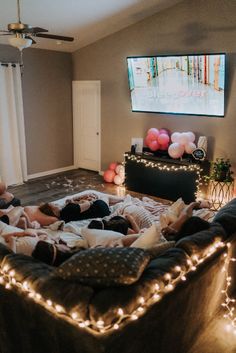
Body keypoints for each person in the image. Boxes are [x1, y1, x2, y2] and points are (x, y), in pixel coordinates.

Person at [32, 200, 211, 266]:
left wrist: (196, 203)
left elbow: (128, 238)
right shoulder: (174, 246)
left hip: (119, 228)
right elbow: (187, 214)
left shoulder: (166, 234)